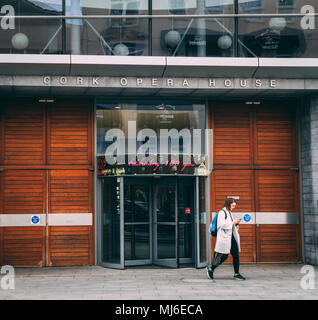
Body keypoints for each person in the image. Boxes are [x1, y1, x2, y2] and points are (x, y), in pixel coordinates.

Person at [207, 197, 246, 281]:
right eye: (233, 205)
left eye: (234, 206)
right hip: (224, 238)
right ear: (228, 204)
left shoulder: (230, 213)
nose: (234, 207)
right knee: (224, 257)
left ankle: (236, 274)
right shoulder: (222, 212)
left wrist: (236, 224)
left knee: (235, 255)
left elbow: (230, 225)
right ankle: (211, 268)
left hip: (231, 237)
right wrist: (233, 222)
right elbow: (222, 224)